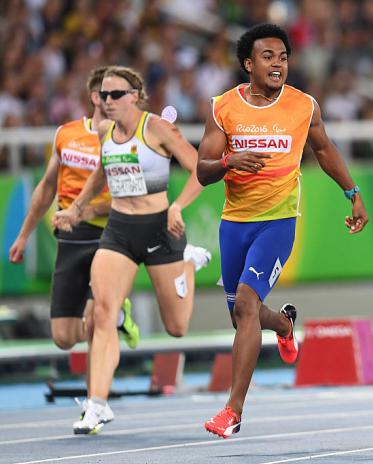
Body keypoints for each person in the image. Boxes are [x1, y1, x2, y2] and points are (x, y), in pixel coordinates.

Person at [197, 23, 368, 439]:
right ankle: (285, 326)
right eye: (268, 57)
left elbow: (324, 150)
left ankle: (232, 411)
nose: (278, 64)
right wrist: (228, 163)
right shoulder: (223, 107)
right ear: (248, 63)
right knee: (242, 314)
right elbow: (202, 171)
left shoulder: (303, 105)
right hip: (235, 223)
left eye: (283, 57)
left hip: (278, 221)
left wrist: (353, 192)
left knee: (246, 306)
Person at [53, 65, 211, 434]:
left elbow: (200, 169)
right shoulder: (106, 131)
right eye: (104, 95)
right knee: (103, 314)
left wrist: (177, 207)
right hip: (120, 231)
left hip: (159, 230)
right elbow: (102, 174)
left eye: (116, 95)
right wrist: (76, 208)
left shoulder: (157, 128)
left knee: (177, 328)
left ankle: (187, 263)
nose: (108, 102)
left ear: (136, 96)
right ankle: (97, 405)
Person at [9, 66, 140, 399]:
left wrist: (85, 209)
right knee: (64, 337)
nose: (115, 101)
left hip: (111, 236)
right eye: (109, 95)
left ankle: (95, 400)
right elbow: (46, 187)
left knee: (98, 316)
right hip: (71, 238)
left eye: (121, 95)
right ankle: (116, 319)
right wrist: (24, 235)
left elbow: (136, 198)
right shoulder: (66, 134)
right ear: (95, 97)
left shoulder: (127, 139)